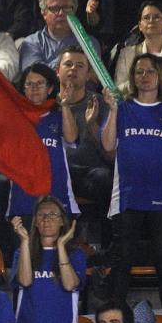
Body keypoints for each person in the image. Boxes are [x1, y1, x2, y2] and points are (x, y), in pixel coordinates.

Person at [101, 53, 162, 310]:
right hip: (128, 194)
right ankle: (116, 313)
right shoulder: (123, 108)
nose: (144, 77)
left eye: (150, 71)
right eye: (139, 72)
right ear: (132, 77)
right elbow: (108, 145)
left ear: (160, 76)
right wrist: (111, 110)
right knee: (123, 257)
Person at [11, 196, 85, 323]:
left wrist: (61, 246)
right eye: (41, 215)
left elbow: (70, 284)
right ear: (35, 223)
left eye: (53, 215)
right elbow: (25, 281)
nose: (46, 219)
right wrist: (24, 241)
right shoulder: (22, 252)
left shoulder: (75, 254)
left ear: (62, 221)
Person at [9, 64, 80, 220]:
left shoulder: (59, 116)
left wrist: (66, 106)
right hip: (22, 201)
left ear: (49, 89)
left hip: (58, 198)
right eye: (29, 84)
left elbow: (71, 138)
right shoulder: (14, 120)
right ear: (23, 89)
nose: (34, 88)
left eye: (40, 83)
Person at [56, 47, 114, 220]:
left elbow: (110, 156)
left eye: (80, 65)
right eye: (68, 64)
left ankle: (106, 241)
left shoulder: (101, 104)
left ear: (89, 74)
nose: (73, 68)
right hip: (55, 173)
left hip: (89, 174)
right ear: (57, 71)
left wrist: (93, 125)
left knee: (105, 178)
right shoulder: (46, 104)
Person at [19, 0, 100, 71]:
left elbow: (93, 78)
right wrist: (71, 65)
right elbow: (35, 75)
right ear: (44, 14)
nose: (61, 13)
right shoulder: (31, 43)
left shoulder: (89, 43)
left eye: (66, 8)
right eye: (55, 8)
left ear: (74, 12)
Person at [114, 2, 162, 95]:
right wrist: (137, 81)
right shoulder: (127, 53)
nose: (151, 21)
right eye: (146, 18)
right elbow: (118, 91)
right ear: (140, 26)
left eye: (157, 17)